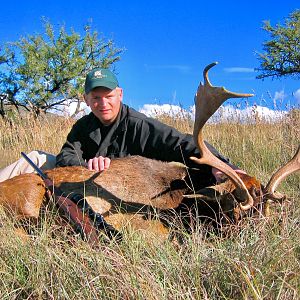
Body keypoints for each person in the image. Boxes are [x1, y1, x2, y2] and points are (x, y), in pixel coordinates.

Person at [0, 67, 245, 183]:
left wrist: (224, 166)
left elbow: (181, 143)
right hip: (80, 178)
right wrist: (85, 164)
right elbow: (65, 154)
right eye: (95, 98)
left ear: (120, 94)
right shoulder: (83, 126)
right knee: (32, 158)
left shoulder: (138, 124)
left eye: (108, 96)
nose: (102, 103)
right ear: (86, 99)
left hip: (121, 186)